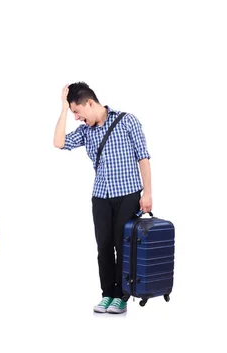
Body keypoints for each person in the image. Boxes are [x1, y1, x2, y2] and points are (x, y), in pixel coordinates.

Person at [53, 82, 153, 314]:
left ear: (90, 103)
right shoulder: (86, 132)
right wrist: (63, 109)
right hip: (100, 196)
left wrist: (147, 193)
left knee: (123, 245)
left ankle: (122, 296)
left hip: (127, 194)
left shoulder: (127, 120)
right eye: (73, 114)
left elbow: (144, 158)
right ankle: (107, 294)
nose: (76, 117)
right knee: (104, 247)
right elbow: (59, 142)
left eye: (77, 112)